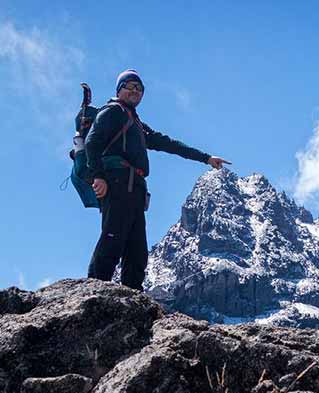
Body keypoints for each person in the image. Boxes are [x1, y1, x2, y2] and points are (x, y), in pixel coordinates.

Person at [84, 69, 230, 291]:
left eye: (139, 88)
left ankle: (131, 298)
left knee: (136, 249)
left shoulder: (138, 125)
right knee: (113, 238)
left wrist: (206, 158)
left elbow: (168, 144)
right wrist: (98, 176)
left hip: (136, 188)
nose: (135, 91)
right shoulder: (112, 112)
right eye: (130, 86)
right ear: (119, 90)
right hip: (117, 182)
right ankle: (92, 292)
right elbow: (92, 143)